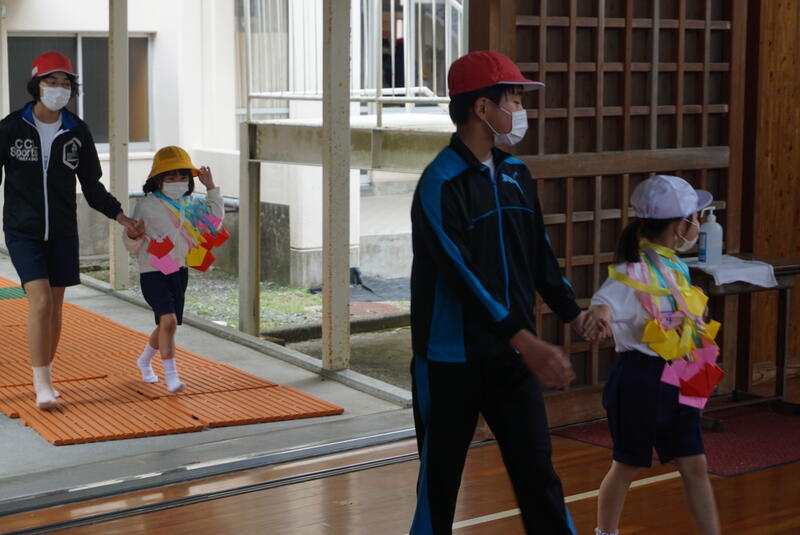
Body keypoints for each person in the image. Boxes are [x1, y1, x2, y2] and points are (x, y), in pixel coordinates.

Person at [409, 50, 594, 535]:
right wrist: (525, 338)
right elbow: (461, 277)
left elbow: (539, 255)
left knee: (539, 477)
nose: (520, 109)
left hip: (510, 360)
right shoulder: (438, 184)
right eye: (513, 98)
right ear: (482, 108)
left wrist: (574, 313)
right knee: (438, 487)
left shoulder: (517, 174)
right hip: (449, 361)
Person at [0, 51, 142, 409]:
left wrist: (120, 216)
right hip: (23, 230)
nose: (59, 89)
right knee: (41, 302)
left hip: (63, 232)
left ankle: (46, 374)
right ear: (37, 85)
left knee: (56, 307)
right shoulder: (11, 127)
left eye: (65, 83)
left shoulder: (77, 131)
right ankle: (42, 385)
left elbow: (91, 185)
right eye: (52, 81)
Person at [585, 175, 721, 535]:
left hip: (678, 374)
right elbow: (604, 302)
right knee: (627, 464)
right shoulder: (631, 272)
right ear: (680, 226)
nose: (698, 225)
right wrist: (599, 316)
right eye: (696, 218)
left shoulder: (675, 267)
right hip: (639, 380)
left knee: (695, 464)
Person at [123, 146, 223, 393]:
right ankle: (172, 377)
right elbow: (130, 244)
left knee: (168, 324)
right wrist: (133, 235)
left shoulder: (191, 204)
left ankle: (144, 361)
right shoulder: (147, 205)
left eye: (182, 176)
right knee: (167, 320)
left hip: (178, 270)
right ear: (158, 180)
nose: (177, 182)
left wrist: (211, 188)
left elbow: (214, 223)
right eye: (170, 177)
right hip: (152, 271)